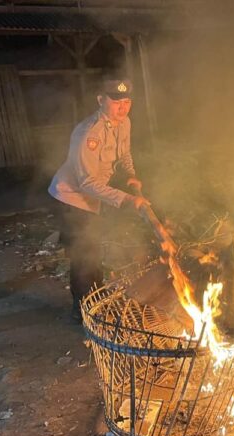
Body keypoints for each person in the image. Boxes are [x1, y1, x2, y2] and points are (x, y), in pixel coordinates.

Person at [48, 77, 149, 319]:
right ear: (101, 100)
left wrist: (131, 175)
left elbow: (125, 152)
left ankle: (96, 300)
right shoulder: (87, 133)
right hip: (71, 198)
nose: (122, 107)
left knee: (93, 250)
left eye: (126, 102)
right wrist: (126, 199)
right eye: (116, 102)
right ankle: (82, 312)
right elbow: (87, 183)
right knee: (83, 255)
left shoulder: (124, 123)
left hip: (92, 198)